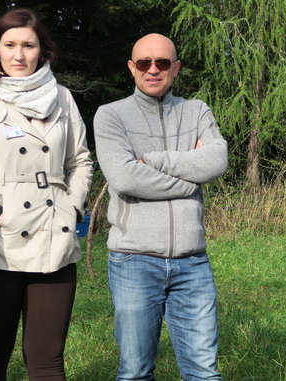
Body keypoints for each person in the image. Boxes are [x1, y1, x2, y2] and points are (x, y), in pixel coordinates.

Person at [0, 9, 92, 380]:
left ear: (43, 50)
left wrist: (72, 208)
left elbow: (81, 161)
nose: (19, 55)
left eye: (29, 45)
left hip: (54, 239)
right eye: (10, 45)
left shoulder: (62, 97)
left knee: (47, 359)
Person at [93, 33, 228, 381]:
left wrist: (153, 160)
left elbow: (216, 160)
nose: (153, 69)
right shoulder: (111, 115)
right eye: (144, 62)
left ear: (176, 68)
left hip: (192, 261)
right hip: (133, 261)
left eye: (163, 63)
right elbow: (125, 178)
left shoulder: (196, 110)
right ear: (131, 67)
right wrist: (190, 180)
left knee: (204, 372)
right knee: (136, 372)